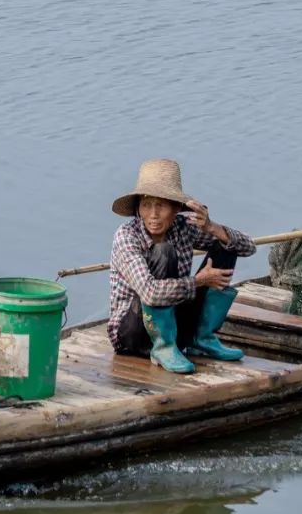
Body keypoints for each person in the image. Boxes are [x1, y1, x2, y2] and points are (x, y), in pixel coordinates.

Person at [107, 158, 256, 373]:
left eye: (161, 205)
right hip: (133, 333)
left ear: (176, 208)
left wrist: (212, 227)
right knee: (163, 252)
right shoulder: (127, 236)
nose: (153, 214)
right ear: (138, 208)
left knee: (225, 246)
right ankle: (163, 347)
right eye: (147, 205)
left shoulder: (183, 227)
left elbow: (248, 247)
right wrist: (199, 281)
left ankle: (201, 337)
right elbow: (150, 294)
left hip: (175, 322)